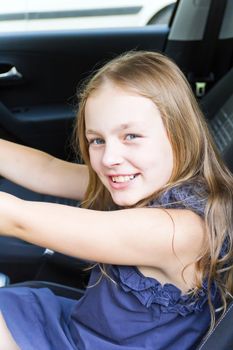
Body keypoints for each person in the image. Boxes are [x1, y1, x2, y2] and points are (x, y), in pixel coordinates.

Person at [0, 51, 232, 350]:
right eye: (97, 140)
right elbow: (47, 169)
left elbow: (17, 220)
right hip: (78, 330)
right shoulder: (145, 181)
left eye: (131, 136)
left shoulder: (177, 230)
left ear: (178, 134)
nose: (109, 158)